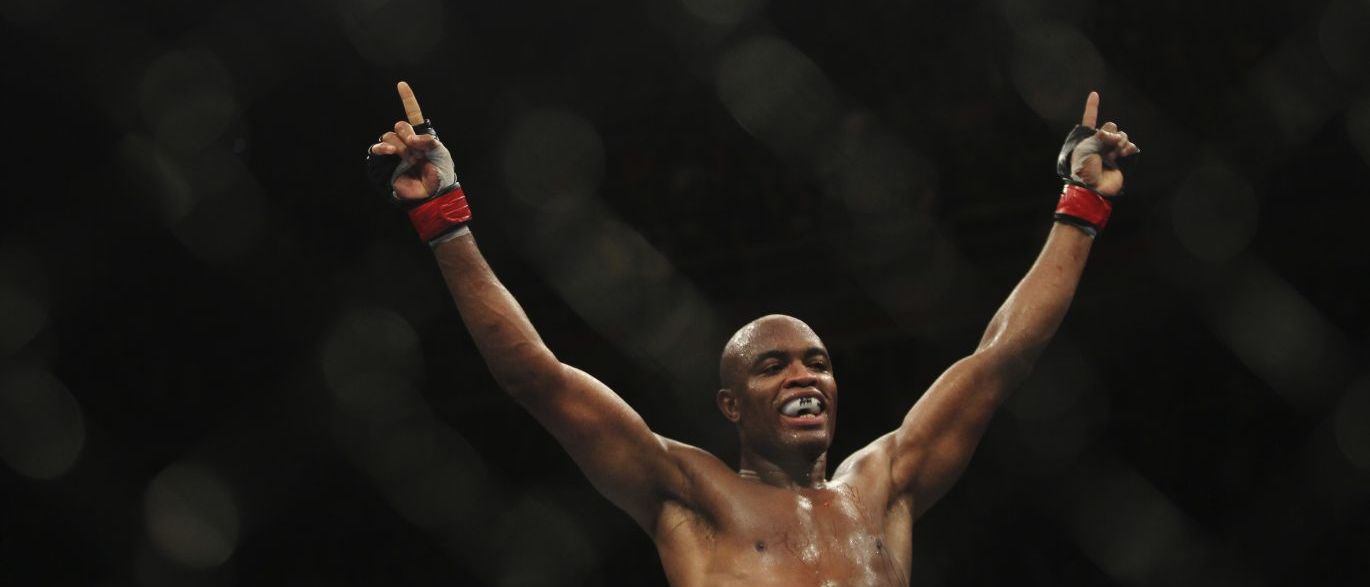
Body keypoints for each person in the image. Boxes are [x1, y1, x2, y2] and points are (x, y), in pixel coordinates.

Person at [365, 85, 1139, 586]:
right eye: (773, 366)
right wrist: (444, 218)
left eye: (817, 362)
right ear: (731, 405)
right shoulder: (688, 493)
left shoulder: (883, 487)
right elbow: (538, 377)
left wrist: (1081, 207)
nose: (804, 376)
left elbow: (1001, 359)